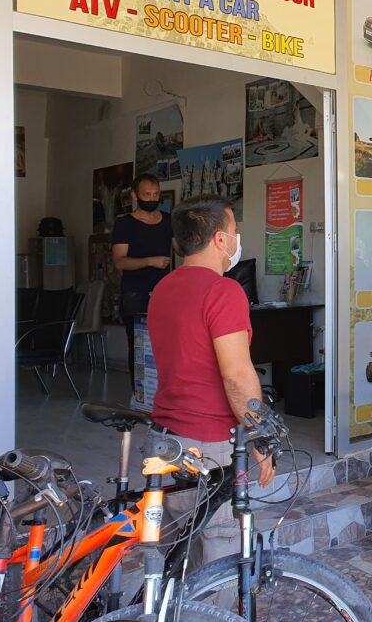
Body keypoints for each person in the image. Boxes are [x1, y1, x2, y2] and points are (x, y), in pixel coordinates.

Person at [147, 194, 275, 569]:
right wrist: (259, 437)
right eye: (234, 230)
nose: (237, 239)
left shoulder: (163, 288)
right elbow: (236, 376)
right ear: (220, 239)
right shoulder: (224, 291)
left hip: (164, 440)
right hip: (209, 448)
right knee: (216, 565)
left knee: (173, 560)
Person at [112, 174, 173, 388]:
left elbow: (181, 249)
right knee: (139, 347)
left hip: (164, 294)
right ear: (134, 195)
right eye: (147, 195)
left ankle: (163, 393)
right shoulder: (125, 224)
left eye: (156, 194)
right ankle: (139, 394)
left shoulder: (168, 221)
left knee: (166, 345)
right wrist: (150, 261)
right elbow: (119, 261)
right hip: (135, 295)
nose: (152, 198)